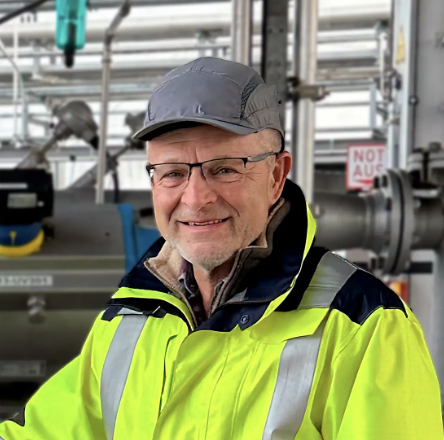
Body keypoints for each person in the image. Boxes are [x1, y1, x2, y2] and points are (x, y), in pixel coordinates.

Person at [0, 57, 442, 440]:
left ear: (276, 176)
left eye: (225, 169)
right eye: (173, 173)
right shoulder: (127, 322)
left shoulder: (364, 325)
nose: (195, 199)